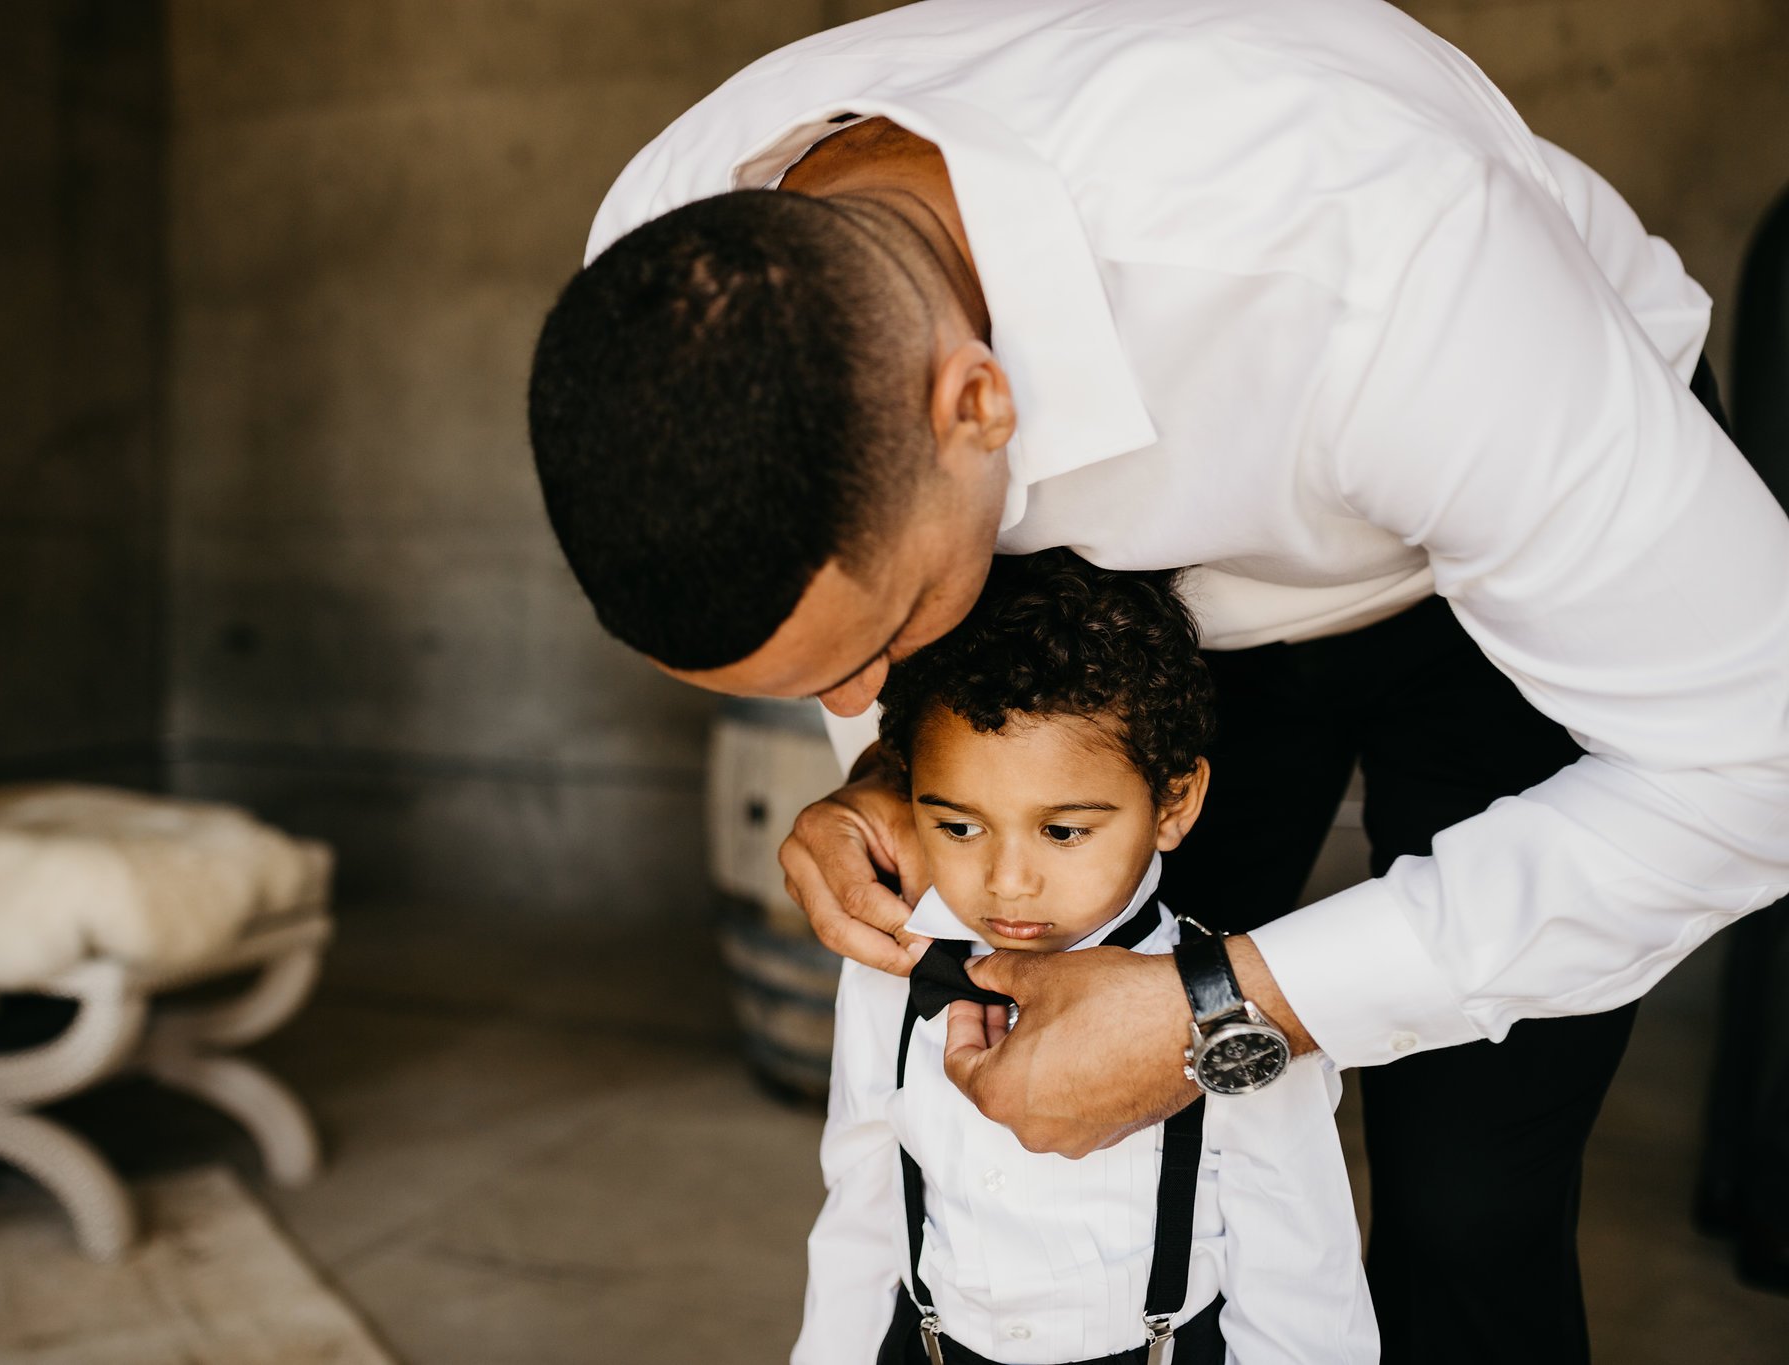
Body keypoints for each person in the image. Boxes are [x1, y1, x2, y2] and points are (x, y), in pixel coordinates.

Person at [526, 1, 1789, 1359]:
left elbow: (1758, 766)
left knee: (1472, 1199)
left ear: (976, 405)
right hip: (1140, 626)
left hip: (1511, 561)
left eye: (878, 644)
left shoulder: (1378, 254)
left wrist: (1229, 1009)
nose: (857, 703)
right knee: (1114, 1144)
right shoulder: (674, 264)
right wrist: (899, 771)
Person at [796, 550, 1374, 1365]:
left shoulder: (1231, 1014)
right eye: (958, 825)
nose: (1007, 879)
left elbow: (1302, 1285)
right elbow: (860, 1200)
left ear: (1174, 801)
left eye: (1064, 830)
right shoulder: (891, 965)